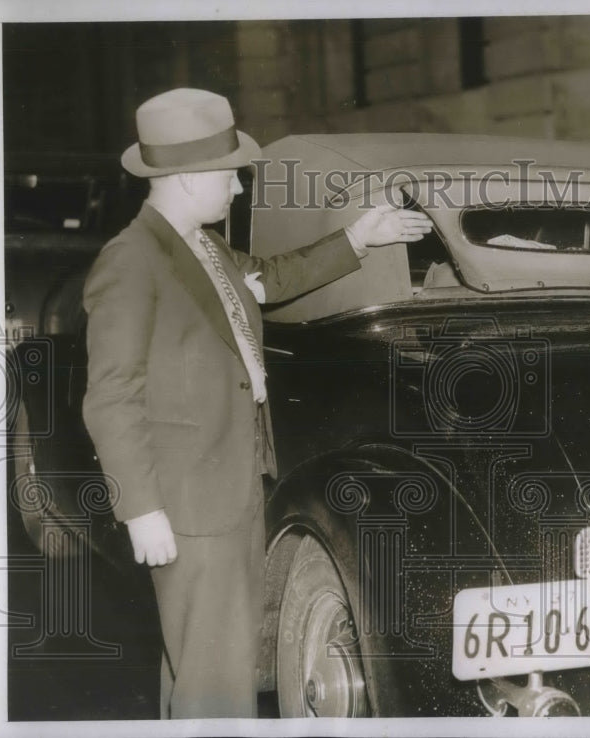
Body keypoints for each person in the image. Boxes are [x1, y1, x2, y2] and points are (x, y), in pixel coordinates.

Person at [81, 87, 431, 719]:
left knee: (202, 667)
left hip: (232, 486)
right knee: (217, 679)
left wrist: (361, 235)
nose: (239, 191)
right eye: (230, 177)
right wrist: (141, 510)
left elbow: (270, 279)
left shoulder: (203, 248)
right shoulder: (132, 261)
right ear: (187, 179)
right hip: (188, 505)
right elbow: (110, 396)